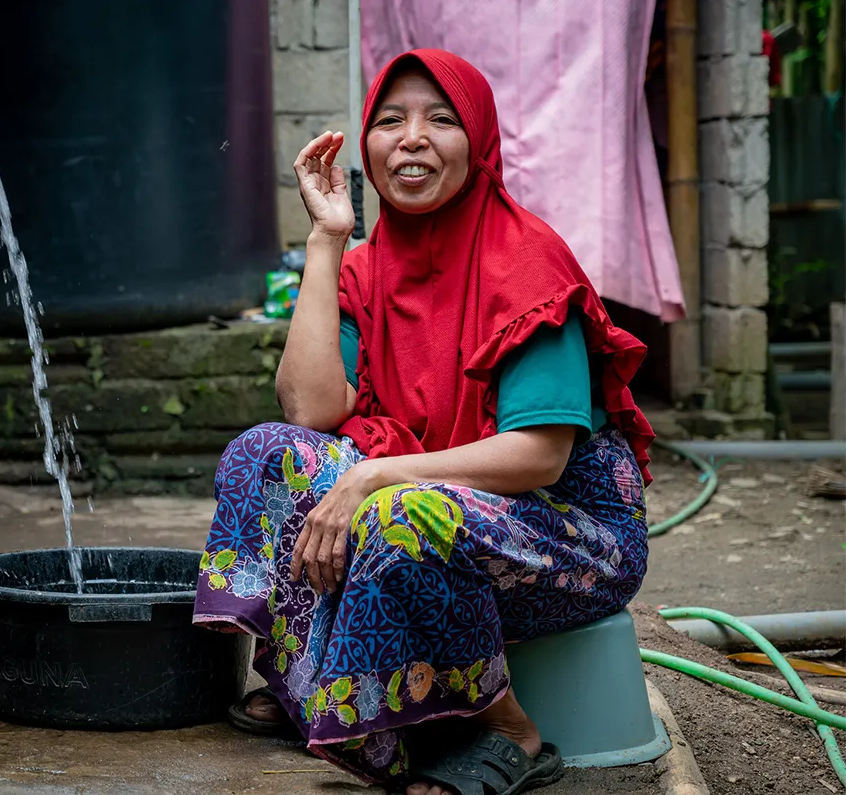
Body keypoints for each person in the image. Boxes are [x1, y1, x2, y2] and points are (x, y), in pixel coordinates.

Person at [192, 48, 655, 795]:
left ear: (479, 144)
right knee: (266, 455)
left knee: (401, 511)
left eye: (441, 120)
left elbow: (538, 458)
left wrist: (375, 474)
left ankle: (509, 729)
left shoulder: (531, 266)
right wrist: (327, 239)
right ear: (367, 147)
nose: (411, 137)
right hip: (438, 500)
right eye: (389, 120)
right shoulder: (368, 267)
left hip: (565, 532)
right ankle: (317, 684)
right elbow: (310, 410)